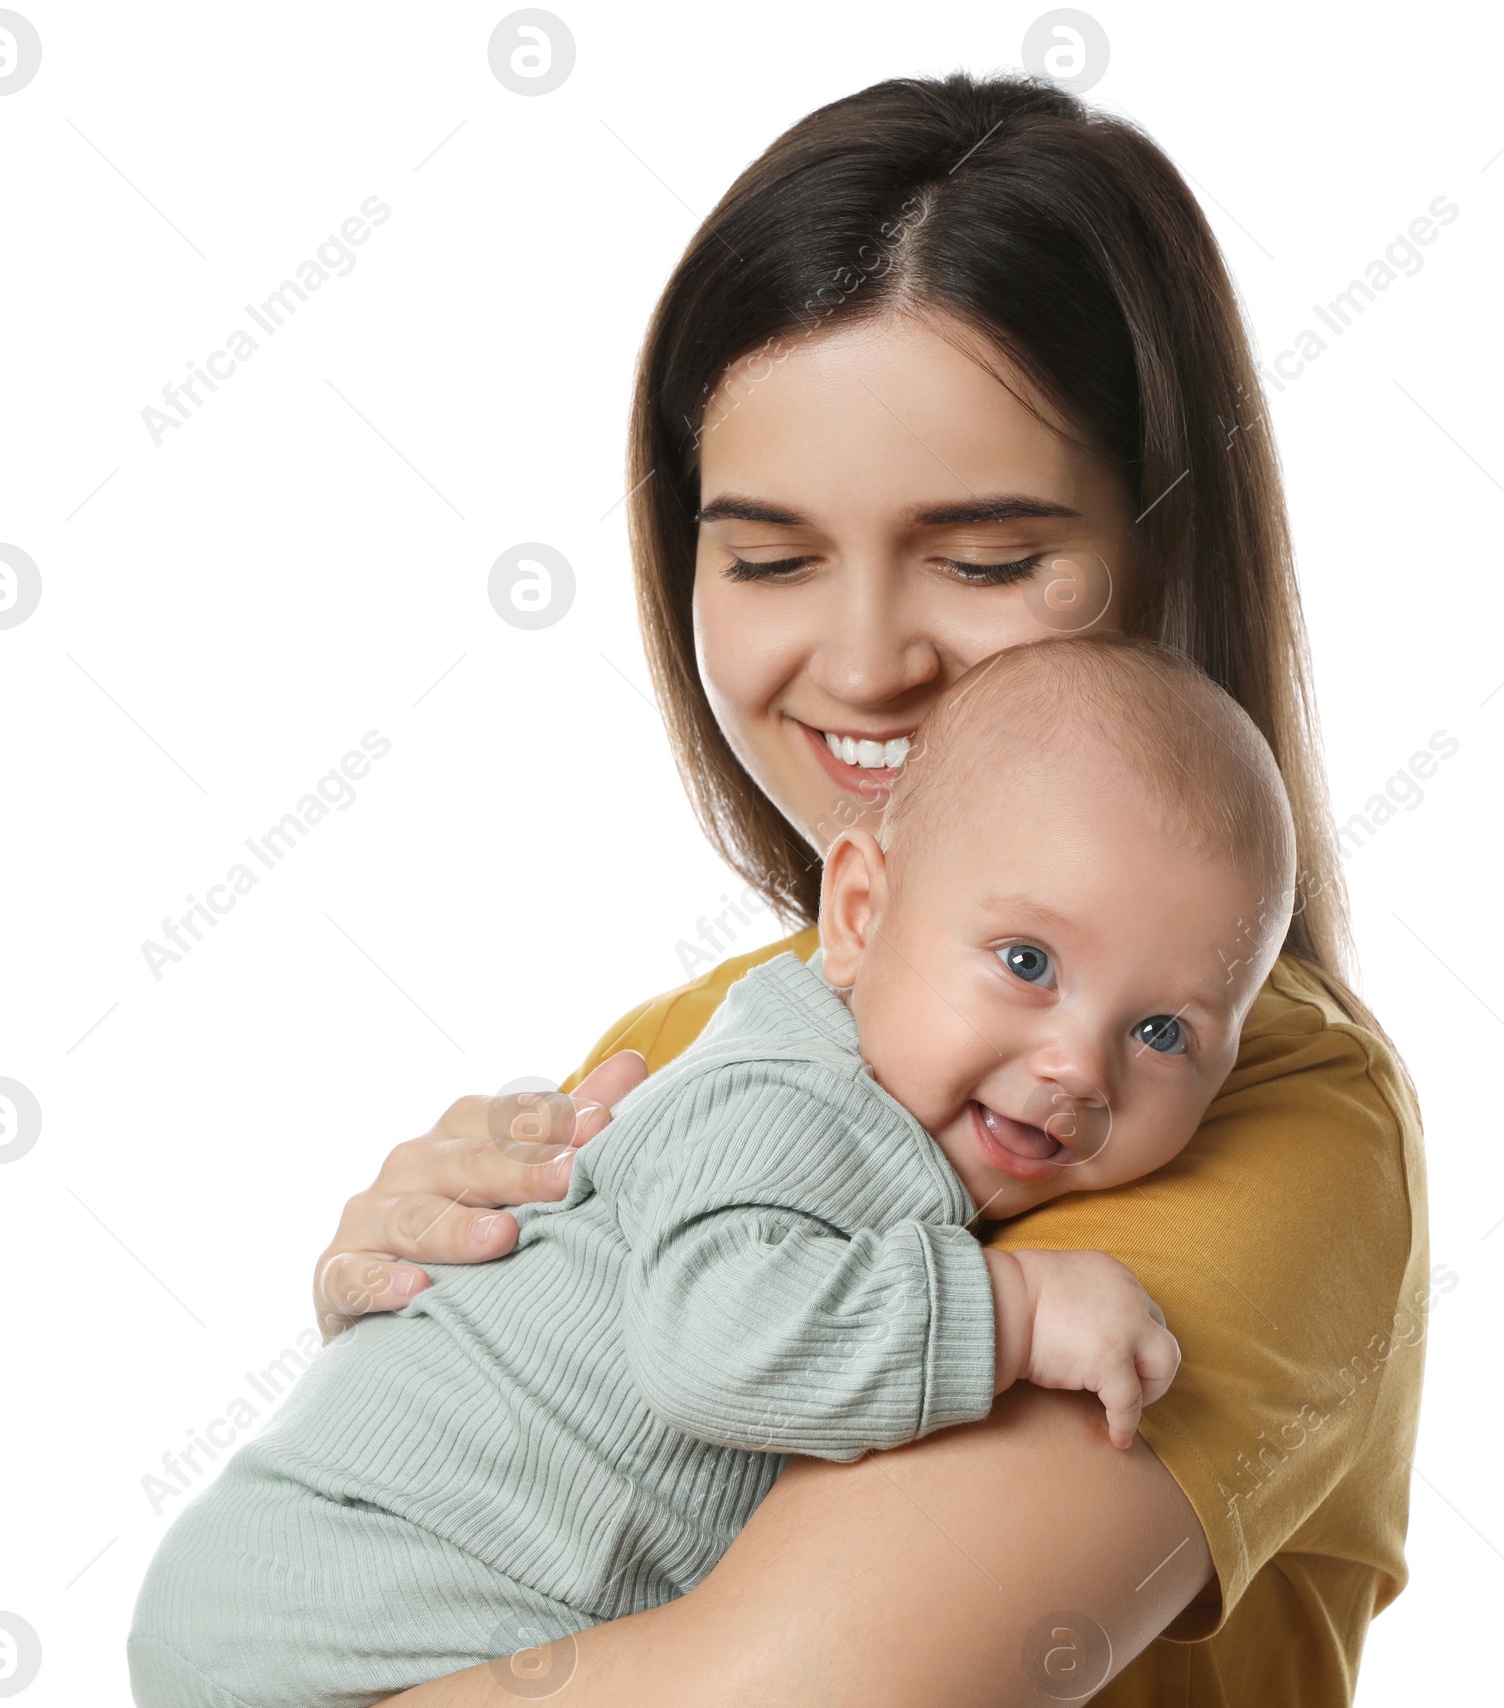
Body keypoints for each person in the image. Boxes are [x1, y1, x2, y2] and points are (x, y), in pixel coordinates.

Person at [311, 73, 1426, 1707]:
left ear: (1168, 546)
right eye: (768, 557)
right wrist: (416, 1347)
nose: (861, 663)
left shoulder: (1266, 1105)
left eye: (983, 560)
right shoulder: (686, 1037)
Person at [128, 635, 1299, 1708]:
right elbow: (719, 1346)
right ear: (856, 914)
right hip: (360, 1583)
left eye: (1162, 1034)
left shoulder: (1259, 1126)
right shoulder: (792, 1097)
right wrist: (1020, 1307)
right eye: (1026, 960)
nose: (1075, 1065)